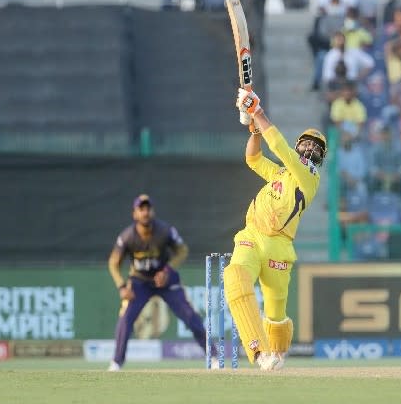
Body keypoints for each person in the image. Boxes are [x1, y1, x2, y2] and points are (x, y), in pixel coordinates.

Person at [224, 88, 327, 371]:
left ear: (320, 159)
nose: (311, 149)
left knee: (276, 314)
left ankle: (277, 355)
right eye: (307, 144)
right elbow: (254, 160)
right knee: (234, 276)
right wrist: (255, 130)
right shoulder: (282, 173)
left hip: (280, 247)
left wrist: (258, 112)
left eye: (317, 148)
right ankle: (258, 352)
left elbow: (280, 147)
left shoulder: (309, 178)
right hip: (252, 235)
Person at [107, 195, 216, 371]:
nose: (145, 212)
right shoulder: (127, 236)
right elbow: (113, 263)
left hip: (166, 280)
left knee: (190, 316)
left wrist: (168, 270)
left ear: (153, 211)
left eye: (148, 208)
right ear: (134, 214)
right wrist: (121, 286)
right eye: (141, 209)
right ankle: (116, 362)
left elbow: (182, 250)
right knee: (126, 317)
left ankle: (214, 357)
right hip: (139, 282)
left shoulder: (165, 230)